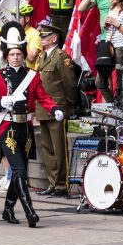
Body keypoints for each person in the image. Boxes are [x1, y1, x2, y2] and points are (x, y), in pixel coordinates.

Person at [0, 23, 64, 228]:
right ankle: (30, 211)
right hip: (7, 128)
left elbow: (42, 96)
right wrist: (0, 103)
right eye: (12, 54)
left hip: (25, 128)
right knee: (18, 169)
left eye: (19, 53)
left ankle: (8, 209)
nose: (16, 57)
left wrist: (54, 108)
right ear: (7, 56)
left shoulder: (33, 76)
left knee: (21, 171)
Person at [35, 23, 77, 197]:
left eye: (44, 36)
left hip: (58, 108)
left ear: (54, 38)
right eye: (41, 36)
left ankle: (61, 184)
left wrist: (70, 105)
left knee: (59, 147)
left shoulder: (61, 57)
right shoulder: (42, 57)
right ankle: (53, 183)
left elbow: (70, 84)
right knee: (47, 148)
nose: (41, 39)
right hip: (43, 108)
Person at [17, 5, 44, 70]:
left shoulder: (35, 34)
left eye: (19, 17)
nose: (16, 20)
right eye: (15, 17)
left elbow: (31, 58)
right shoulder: (15, 32)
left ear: (27, 19)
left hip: (29, 72)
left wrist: (20, 42)